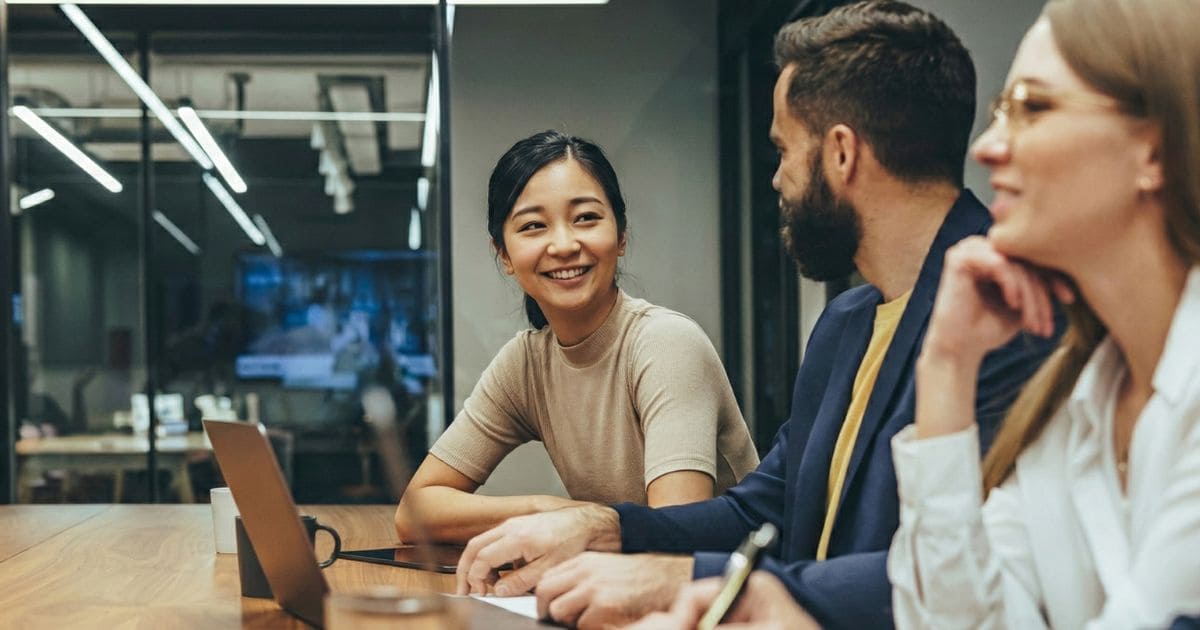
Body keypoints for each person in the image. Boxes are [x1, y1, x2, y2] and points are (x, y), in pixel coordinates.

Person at [453, 3, 1060, 628]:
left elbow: (959, 574)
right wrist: (604, 528)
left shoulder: (1012, 319)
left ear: (841, 154)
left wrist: (683, 575)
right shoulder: (847, 323)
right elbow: (763, 509)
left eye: (784, 150)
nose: (776, 179)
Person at [887, 0, 1200, 626]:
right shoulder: (1081, 400)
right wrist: (946, 368)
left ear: (1155, 151)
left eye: (1033, 107)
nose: (986, 147)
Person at [395, 130, 760, 543]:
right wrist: (549, 510)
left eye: (586, 218)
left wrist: (586, 523)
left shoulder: (666, 343)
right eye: (533, 226)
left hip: (724, 594)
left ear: (621, 236)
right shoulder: (526, 365)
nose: (564, 245)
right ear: (505, 255)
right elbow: (415, 512)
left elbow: (676, 537)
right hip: (629, 587)